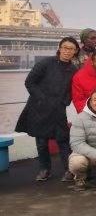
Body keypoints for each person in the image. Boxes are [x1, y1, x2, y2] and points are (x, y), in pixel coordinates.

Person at [15, 36, 79, 182]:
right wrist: (42, 98)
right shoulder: (45, 63)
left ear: (75, 51)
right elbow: (30, 82)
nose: (67, 51)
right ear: (60, 48)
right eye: (65, 48)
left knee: (63, 139)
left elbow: (72, 89)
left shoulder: (73, 69)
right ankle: (45, 170)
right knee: (41, 141)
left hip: (58, 109)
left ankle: (69, 170)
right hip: (39, 108)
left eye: (71, 49)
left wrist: (65, 102)